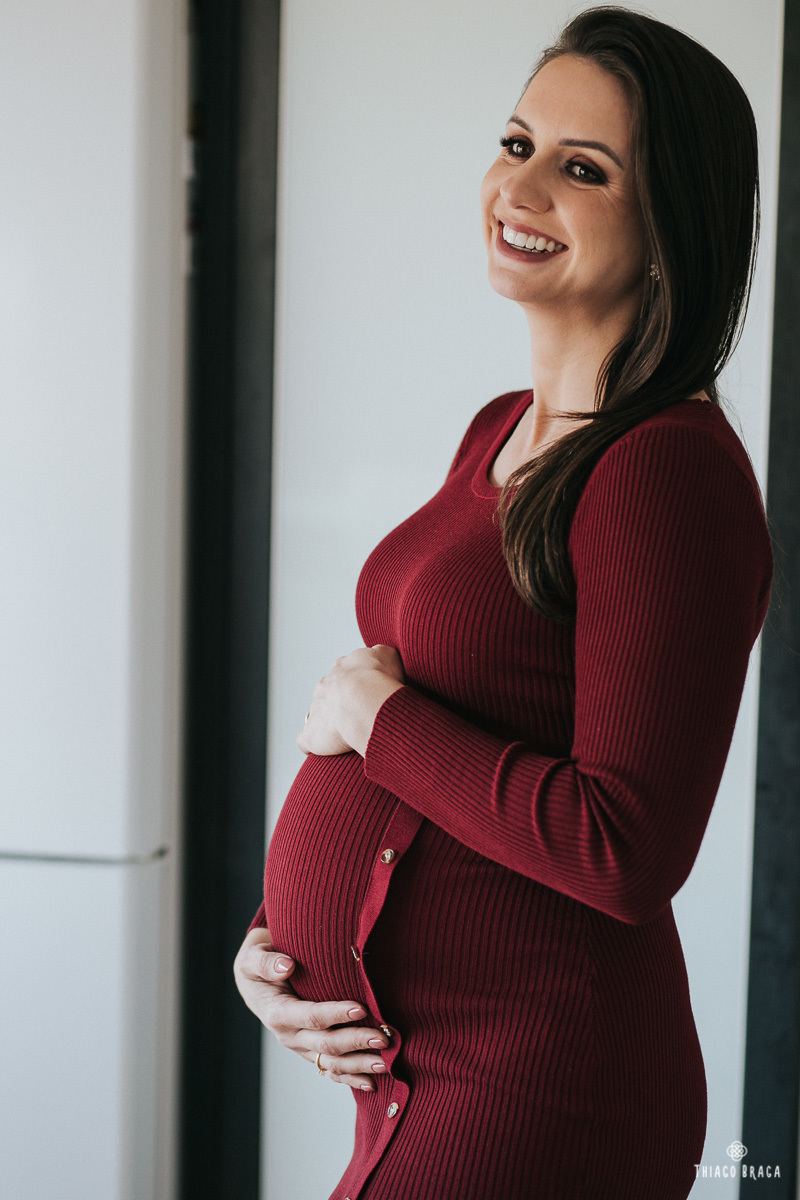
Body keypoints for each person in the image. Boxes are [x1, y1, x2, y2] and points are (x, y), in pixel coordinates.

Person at [233, 6, 774, 1198]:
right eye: (517, 142)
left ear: (666, 223)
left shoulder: (661, 471)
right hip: (416, 1061)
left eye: (581, 169)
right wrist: (277, 948)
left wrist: (375, 721)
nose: (519, 187)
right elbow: (449, 715)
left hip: (537, 1077)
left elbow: (622, 845)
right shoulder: (502, 430)